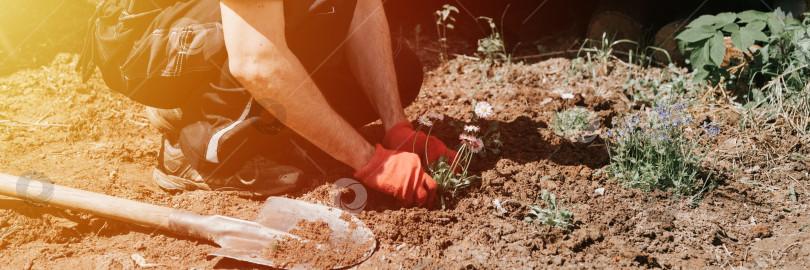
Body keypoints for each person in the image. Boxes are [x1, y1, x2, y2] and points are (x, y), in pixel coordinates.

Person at [144, 0, 457, 208]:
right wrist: (370, 161)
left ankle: (273, 130)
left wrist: (396, 126)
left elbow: (360, 6)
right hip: (150, 34)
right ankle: (197, 138)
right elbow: (255, 61)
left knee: (402, 73)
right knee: (294, 15)